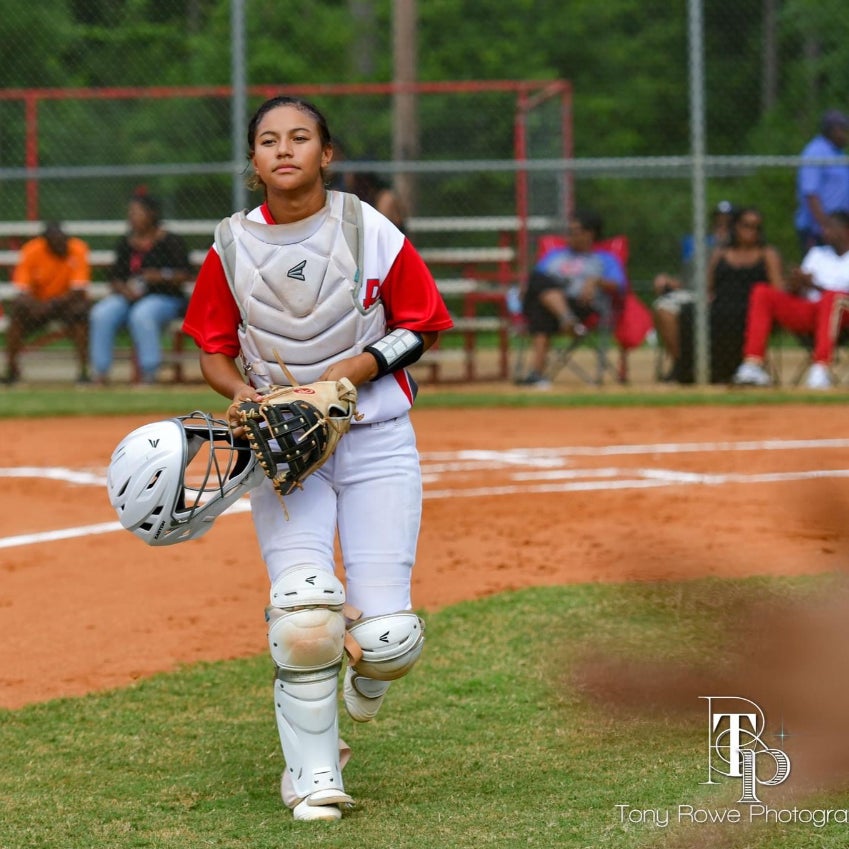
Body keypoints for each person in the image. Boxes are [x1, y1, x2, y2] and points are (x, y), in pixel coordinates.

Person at [181, 95, 453, 822]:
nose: (284, 149)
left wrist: (347, 377)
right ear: (252, 162)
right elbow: (211, 348)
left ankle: (372, 669)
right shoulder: (231, 244)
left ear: (325, 153)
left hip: (374, 434)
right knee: (305, 618)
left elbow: (423, 323)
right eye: (268, 140)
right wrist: (246, 395)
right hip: (287, 446)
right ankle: (312, 775)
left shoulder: (367, 227)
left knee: (389, 639)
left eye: (300, 137)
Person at [656, 206, 784, 384]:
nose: (750, 231)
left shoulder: (767, 254)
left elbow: (778, 291)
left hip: (752, 309)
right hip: (721, 304)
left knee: (733, 317)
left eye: (755, 227)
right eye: (745, 226)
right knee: (689, 313)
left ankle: (734, 369)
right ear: (736, 227)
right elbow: (708, 287)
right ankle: (689, 369)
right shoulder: (720, 254)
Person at [733, 209, 849, 390]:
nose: (825, 232)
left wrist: (816, 287)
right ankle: (752, 364)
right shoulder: (817, 254)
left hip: (842, 316)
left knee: (832, 297)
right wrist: (797, 282)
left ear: (845, 230)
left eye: (830, 228)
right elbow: (798, 292)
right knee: (762, 291)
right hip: (811, 312)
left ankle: (821, 368)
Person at [515, 208, 626, 388]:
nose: (570, 236)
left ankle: (537, 374)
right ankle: (567, 320)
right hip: (553, 308)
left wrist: (596, 281)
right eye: (570, 231)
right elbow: (535, 282)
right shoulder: (554, 255)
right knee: (537, 282)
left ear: (590, 234)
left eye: (576, 231)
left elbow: (619, 285)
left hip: (581, 305)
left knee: (540, 304)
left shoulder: (605, 259)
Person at [88, 191, 191, 384]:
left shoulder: (170, 240)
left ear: (151, 214)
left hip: (164, 297)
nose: (131, 217)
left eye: (137, 212)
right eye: (130, 213)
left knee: (143, 314)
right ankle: (100, 373)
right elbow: (115, 277)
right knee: (101, 313)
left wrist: (160, 276)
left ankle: (149, 373)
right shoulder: (126, 243)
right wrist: (124, 290)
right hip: (130, 298)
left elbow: (184, 274)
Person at [653, 200, 736, 381]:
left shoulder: (741, 253)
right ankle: (681, 366)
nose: (722, 228)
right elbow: (683, 281)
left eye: (728, 224)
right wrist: (667, 280)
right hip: (692, 294)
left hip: (723, 298)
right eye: (718, 223)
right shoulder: (703, 249)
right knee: (664, 307)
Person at [4, 221, 91, 384]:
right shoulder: (32, 250)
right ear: (47, 243)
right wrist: (38, 306)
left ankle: (84, 371)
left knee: (81, 312)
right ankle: (11, 370)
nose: (63, 246)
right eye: (57, 242)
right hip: (37, 306)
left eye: (64, 240)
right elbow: (21, 290)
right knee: (17, 312)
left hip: (66, 305)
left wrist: (51, 305)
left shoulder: (77, 248)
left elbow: (78, 290)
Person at [795, 109, 849, 256]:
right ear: (832, 130)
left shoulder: (839, 153)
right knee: (819, 271)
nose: (845, 134)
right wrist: (826, 226)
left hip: (840, 228)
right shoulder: (815, 152)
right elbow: (811, 193)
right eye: (843, 130)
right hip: (818, 230)